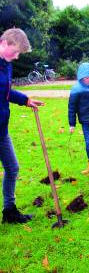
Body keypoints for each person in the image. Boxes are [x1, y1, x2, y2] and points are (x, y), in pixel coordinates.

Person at [0, 28, 44, 224]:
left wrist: (26, 100)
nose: (17, 57)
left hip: (2, 130)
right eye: (16, 51)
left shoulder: (6, 64)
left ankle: (9, 211)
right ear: (5, 43)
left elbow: (6, 92)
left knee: (12, 168)